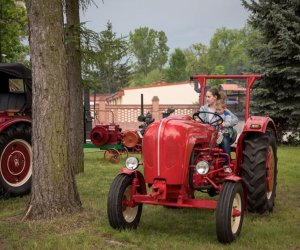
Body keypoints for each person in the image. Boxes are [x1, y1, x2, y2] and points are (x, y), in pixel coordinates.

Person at [215, 98, 239, 172]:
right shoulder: (215, 114)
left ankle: (227, 164)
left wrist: (224, 124)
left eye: (219, 110)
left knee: (225, 142)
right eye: (216, 109)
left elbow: (229, 123)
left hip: (226, 132)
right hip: (217, 133)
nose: (217, 111)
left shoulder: (227, 114)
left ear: (224, 108)